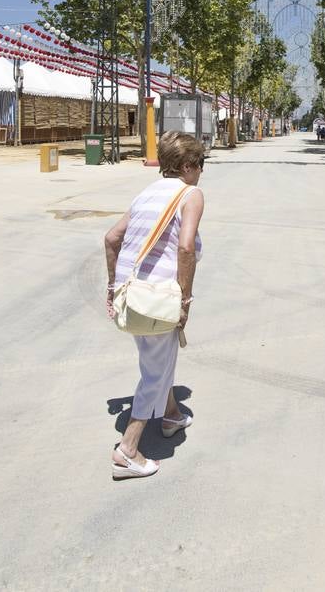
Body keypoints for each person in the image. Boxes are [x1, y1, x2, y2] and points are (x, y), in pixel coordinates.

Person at [103, 131, 206, 480]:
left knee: (156, 362)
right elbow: (186, 248)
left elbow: (112, 238)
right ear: (189, 166)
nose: (200, 174)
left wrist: (112, 287)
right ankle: (128, 450)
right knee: (155, 374)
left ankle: (172, 416)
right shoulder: (189, 194)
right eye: (200, 167)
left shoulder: (146, 193)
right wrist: (185, 299)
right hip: (159, 299)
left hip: (133, 298)